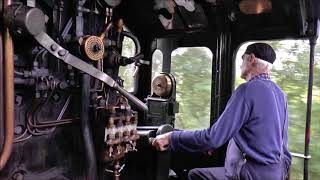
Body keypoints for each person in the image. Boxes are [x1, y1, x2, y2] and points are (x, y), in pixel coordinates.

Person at [152, 43, 292, 180]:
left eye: (243, 58)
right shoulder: (281, 94)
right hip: (277, 172)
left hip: (251, 173)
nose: (240, 64)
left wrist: (171, 138)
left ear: (251, 59)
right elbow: (265, 137)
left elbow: (212, 138)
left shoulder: (246, 90)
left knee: (194, 175)